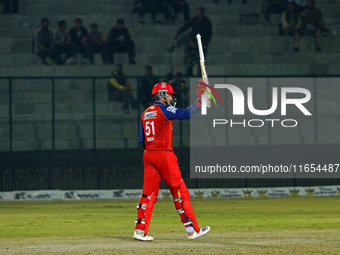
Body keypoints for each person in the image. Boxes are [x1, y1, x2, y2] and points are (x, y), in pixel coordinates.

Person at [133, 81, 210, 241]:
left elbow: (141, 141)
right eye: (169, 94)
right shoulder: (165, 110)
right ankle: (192, 229)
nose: (171, 97)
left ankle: (140, 231)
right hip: (164, 155)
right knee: (180, 191)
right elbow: (186, 114)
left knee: (148, 195)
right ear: (161, 95)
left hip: (148, 155)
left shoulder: (145, 113)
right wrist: (200, 101)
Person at [174, 7, 212, 76]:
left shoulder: (207, 21)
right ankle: (189, 71)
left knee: (202, 59)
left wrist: (206, 42)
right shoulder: (194, 20)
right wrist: (178, 32)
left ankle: (201, 73)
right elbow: (186, 26)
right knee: (191, 58)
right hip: (194, 41)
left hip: (203, 42)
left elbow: (209, 33)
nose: (199, 14)